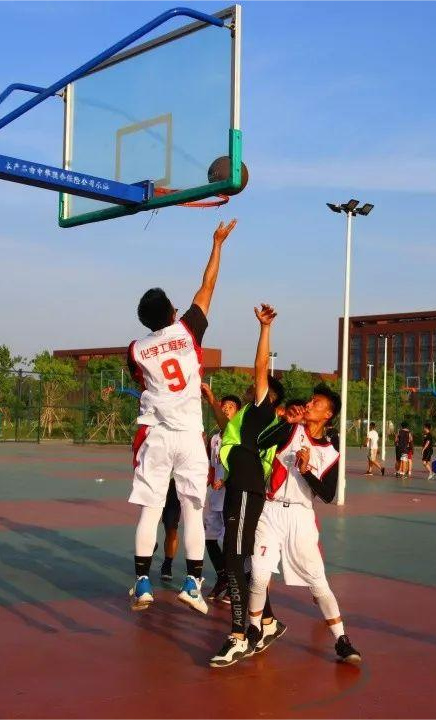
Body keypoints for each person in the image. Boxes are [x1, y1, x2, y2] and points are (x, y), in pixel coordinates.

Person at [127, 219, 237, 613]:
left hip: (156, 434)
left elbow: (141, 381)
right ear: (173, 311)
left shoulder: (136, 349)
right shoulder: (188, 331)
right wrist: (217, 244)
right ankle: (193, 582)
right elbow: (208, 286)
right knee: (193, 510)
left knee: (151, 508)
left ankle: (143, 582)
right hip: (191, 436)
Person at [249, 380, 362, 665]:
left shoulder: (330, 452)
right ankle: (253, 631)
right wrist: (287, 422)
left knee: (318, 583)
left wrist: (306, 471)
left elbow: (328, 494)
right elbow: (261, 441)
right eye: (310, 400)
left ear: (328, 414)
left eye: (317, 403)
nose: (310, 404)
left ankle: (341, 640)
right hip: (270, 510)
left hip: (300, 517)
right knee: (259, 575)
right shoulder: (291, 430)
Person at [210, 305, 287, 667]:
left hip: (246, 492)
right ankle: (267, 622)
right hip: (238, 489)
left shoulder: (261, 410)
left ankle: (239, 636)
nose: (252, 385)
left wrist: (264, 328)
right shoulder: (246, 419)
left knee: (234, 559)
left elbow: (260, 366)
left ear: (268, 396)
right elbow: (227, 436)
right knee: (239, 560)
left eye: (259, 386)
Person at [201, 385, 242, 600]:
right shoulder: (214, 437)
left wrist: (225, 480)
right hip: (215, 496)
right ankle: (222, 576)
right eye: (223, 406)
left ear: (238, 412)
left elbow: (241, 465)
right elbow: (211, 465)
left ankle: (235, 585)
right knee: (209, 539)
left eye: (231, 406)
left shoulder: (238, 437)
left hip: (231, 496)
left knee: (229, 544)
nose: (225, 409)